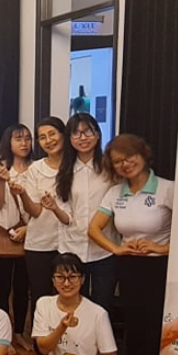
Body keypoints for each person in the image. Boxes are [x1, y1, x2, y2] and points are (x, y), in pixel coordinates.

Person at [88, 133, 173, 355]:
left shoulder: (168, 189)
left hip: (160, 268)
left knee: (155, 329)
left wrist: (160, 248)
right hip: (129, 268)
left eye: (129, 157)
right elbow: (93, 228)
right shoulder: (115, 193)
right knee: (135, 328)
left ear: (143, 155)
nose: (125, 164)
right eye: (118, 161)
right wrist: (117, 248)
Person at [54, 113, 117, 313]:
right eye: (76, 133)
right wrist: (54, 208)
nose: (83, 138)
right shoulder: (65, 170)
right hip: (72, 247)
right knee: (74, 305)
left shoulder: (110, 168)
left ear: (97, 135)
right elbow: (65, 212)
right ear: (69, 139)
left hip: (104, 249)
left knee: (102, 305)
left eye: (88, 132)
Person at [11, 117, 68, 319]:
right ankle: (41, 338)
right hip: (40, 243)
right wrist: (23, 194)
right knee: (41, 298)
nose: (48, 140)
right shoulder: (35, 169)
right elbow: (34, 211)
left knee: (68, 296)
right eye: (42, 137)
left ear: (63, 134)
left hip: (71, 242)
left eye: (52, 134)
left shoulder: (75, 166)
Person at [0, 123, 32, 343]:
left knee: (23, 287)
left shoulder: (37, 167)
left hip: (31, 234)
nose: (24, 143)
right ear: (8, 142)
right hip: (2, 232)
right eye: (18, 139)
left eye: (27, 138)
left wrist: (27, 229)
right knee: (1, 288)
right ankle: (3, 335)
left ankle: (20, 332)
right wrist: (3, 180)